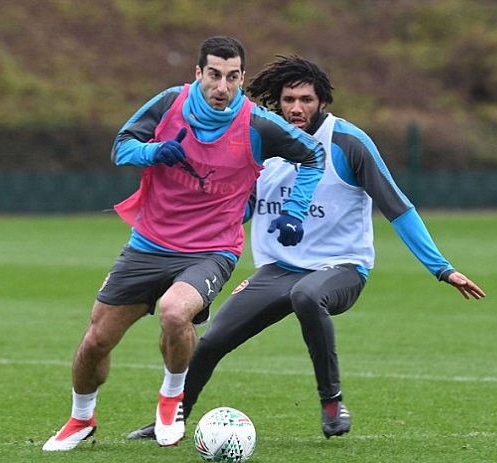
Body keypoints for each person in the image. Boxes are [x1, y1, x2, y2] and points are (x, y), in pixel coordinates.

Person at [127, 55, 486, 440]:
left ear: (322, 102)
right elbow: (239, 207)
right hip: (278, 271)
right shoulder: (262, 141)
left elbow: (398, 207)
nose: (296, 108)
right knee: (212, 340)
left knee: (307, 295)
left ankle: (332, 401)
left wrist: (442, 268)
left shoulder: (348, 143)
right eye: (289, 99)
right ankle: (172, 420)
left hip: (342, 268)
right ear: (277, 102)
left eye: (306, 99)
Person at [42, 38, 326, 451]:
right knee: (95, 342)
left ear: (242, 78)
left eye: (232, 77)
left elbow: (314, 155)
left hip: (211, 250)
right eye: (214, 75)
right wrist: (157, 152)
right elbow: (122, 148)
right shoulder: (169, 104)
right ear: (198, 74)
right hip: (148, 244)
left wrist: (294, 213)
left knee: (175, 313)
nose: (222, 87)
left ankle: (171, 400)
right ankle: (81, 418)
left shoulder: (257, 124)